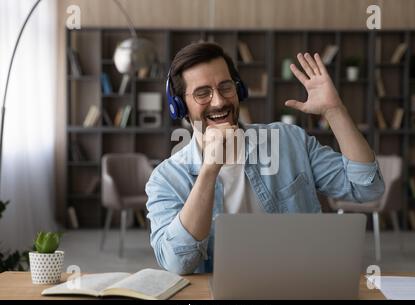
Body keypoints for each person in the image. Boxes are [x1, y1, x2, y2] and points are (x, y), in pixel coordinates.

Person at [145, 42, 384, 275]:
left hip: (298, 285)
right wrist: (209, 169)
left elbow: (367, 188)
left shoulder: (289, 141)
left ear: (239, 91)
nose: (218, 101)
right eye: (202, 93)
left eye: (226, 87)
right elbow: (178, 262)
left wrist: (335, 111)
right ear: (179, 106)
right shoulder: (165, 179)